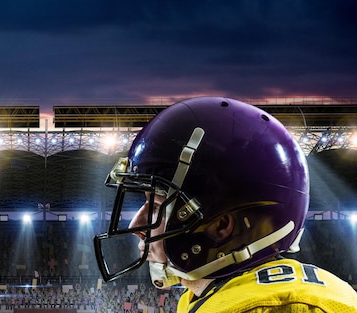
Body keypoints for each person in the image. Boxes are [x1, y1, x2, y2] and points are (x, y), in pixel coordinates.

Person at [93, 96, 357, 312]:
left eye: (157, 204)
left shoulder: (270, 308)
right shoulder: (208, 296)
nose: (136, 224)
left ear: (220, 227)